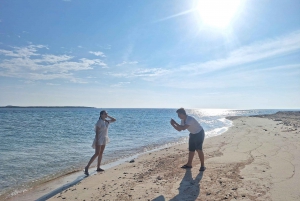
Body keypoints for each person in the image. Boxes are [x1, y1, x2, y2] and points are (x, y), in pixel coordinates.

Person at [84, 110, 116, 175]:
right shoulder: (99, 122)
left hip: (104, 138)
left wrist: (108, 116)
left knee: (101, 153)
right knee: (97, 153)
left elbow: (114, 120)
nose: (106, 115)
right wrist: (97, 141)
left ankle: (98, 167)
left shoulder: (106, 121)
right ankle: (87, 167)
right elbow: (97, 132)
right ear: (101, 115)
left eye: (106, 114)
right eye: (105, 114)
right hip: (99, 139)